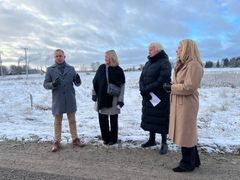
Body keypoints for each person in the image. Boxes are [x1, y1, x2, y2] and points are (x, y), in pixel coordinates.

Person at [164, 39, 203, 172]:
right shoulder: (182, 64)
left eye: (179, 48)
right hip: (180, 103)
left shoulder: (194, 65)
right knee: (187, 132)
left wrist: (171, 87)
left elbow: (189, 87)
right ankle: (195, 160)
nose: (176, 50)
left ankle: (187, 164)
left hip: (187, 104)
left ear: (187, 49)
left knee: (187, 132)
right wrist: (171, 85)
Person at [43, 49, 85, 152]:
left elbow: (77, 83)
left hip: (70, 98)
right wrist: (52, 84)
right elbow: (45, 84)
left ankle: (75, 139)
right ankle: (57, 141)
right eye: (56, 56)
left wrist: (78, 81)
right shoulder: (50, 70)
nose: (58, 57)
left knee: (72, 120)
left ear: (64, 56)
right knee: (58, 121)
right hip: (58, 99)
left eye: (60, 56)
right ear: (54, 57)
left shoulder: (71, 69)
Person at [139, 42, 172, 154]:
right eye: (149, 49)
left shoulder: (165, 62)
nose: (149, 51)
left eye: (151, 49)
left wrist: (146, 89)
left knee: (161, 119)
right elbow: (142, 78)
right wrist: (142, 89)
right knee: (150, 118)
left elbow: (162, 80)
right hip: (148, 97)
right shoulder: (148, 63)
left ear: (158, 50)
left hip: (160, 97)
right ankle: (151, 140)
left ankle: (164, 142)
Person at [92, 50, 125, 145]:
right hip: (101, 98)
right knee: (102, 119)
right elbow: (95, 82)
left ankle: (113, 139)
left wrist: (120, 100)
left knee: (114, 120)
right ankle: (105, 137)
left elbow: (122, 86)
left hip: (114, 99)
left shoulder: (119, 70)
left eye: (107, 57)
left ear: (112, 58)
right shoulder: (101, 68)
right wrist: (94, 93)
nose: (105, 58)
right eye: (105, 57)